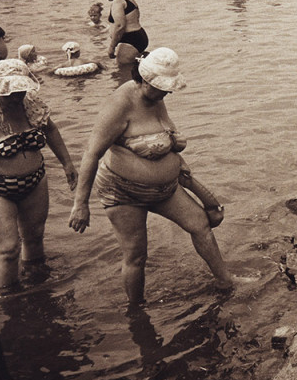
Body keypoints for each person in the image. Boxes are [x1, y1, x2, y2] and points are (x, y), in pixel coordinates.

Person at [68, 48, 233, 303]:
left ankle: (226, 282)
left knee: (200, 225)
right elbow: (91, 153)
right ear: (144, 79)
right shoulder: (120, 103)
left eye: (168, 87)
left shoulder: (156, 98)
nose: (167, 92)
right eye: (161, 87)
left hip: (165, 189)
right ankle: (137, 311)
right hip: (123, 192)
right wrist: (80, 205)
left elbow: (168, 140)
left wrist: (182, 153)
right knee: (136, 255)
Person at [0, 59, 77, 292]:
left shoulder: (31, 104)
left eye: (20, 90)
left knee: (35, 237)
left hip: (35, 181)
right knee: (8, 249)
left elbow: (51, 130)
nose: (15, 96)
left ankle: (37, 290)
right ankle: (9, 302)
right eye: (9, 92)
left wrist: (67, 163)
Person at [97, 0, 148, 66]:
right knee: (134, 68)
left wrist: (112, 47)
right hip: (138, 36)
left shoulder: (118, 1)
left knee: (123, 72)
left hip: (130, 39)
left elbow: (120, 26)